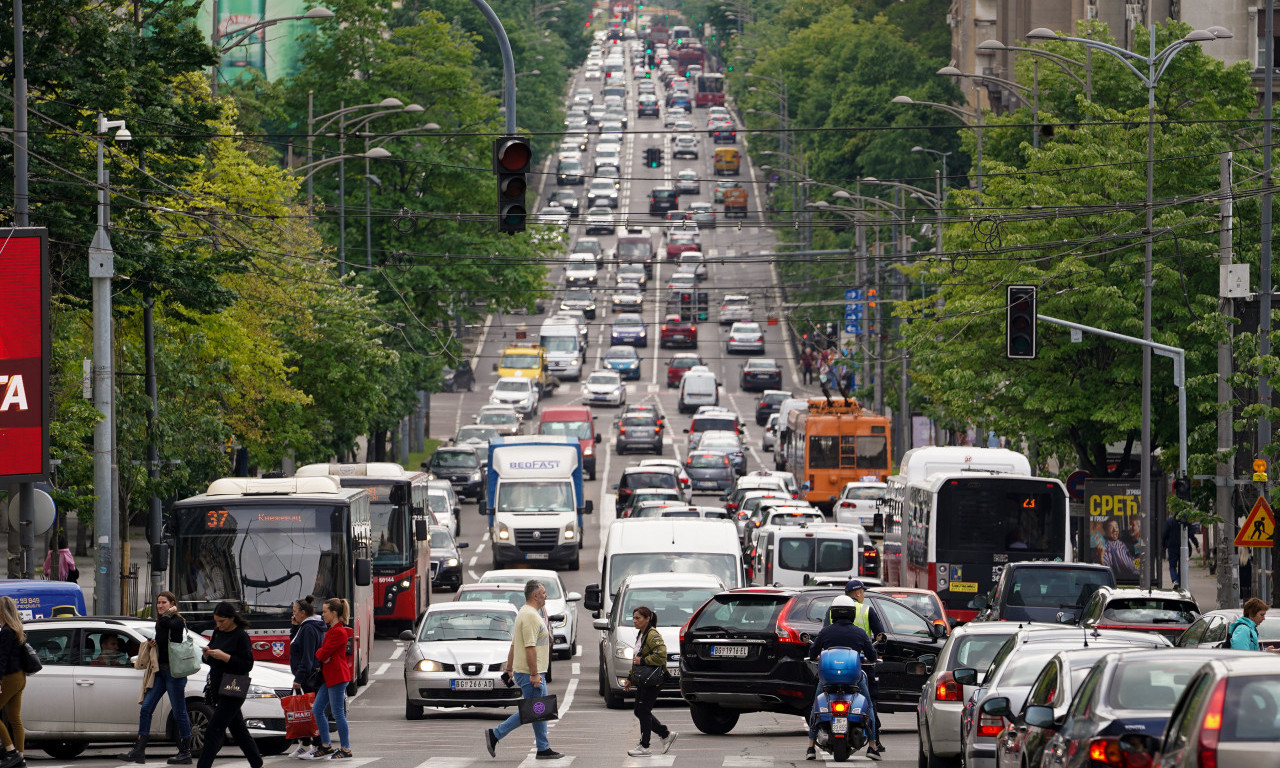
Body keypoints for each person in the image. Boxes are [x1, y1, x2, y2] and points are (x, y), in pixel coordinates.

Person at [483, 580, 564, 761]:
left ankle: (543, 748)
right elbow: (529, 647)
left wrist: (509, 669)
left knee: (538, 710)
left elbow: (514, 644)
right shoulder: (530, 617)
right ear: (535, 595)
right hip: (530, 673)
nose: (546, 595)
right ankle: (496, 734)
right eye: (543, 593)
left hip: (527, 671)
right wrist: (534, 674)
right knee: (534, 710)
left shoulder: (524, 613)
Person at [121, 592, 193, 764]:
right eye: (158, 603)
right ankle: (139, 750)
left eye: (164, 603)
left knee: (179, 712)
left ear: (172, 604)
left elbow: (169, 624)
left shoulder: (177, 621)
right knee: (146, 708)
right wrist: (154, 643)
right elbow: (163, 638)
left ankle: (185, 752)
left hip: (175, 674)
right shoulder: (161, 621)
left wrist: (171, 612)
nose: (160, 606)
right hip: (160, 672)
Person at [807, 596, 879, 761]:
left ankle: (811, 746)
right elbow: (873, 656)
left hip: (828, 679)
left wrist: (820, 656)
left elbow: (812, 653)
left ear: (833, 613)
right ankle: (873, 746)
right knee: (868, 708)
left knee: (815, 708)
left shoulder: (826, 632)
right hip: (854, 678)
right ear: (852, 614)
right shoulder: (859, 633)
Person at [195, 602, 262, 768]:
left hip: (234, 686)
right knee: (238, 729)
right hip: (218, 684)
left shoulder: (241, 636)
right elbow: (210, 660)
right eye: (216, 621)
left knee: (214, 729)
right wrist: (207, 655)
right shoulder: (218, 633)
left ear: (232, 618)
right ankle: (256, 761)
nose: (218, 625)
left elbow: (247, 665)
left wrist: (225, 657)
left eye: (222, 621)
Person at [622, 606, 677, 757]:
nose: (634, 621)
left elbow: (661, 656)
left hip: (653, 679)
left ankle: (645, 746)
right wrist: (629, 678)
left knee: (643, 711)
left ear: (647, 619)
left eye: (638, 618)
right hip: (644, 679)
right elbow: (636, 659)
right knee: (638, 711)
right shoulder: (641, 634)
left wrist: (644, 660)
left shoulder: (652, 635)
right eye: (633, 618)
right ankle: (665, 734)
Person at [308, 598, 354, 760]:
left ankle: (346, 748)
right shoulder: (332, 630)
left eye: (325, 611)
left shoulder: (339, 632)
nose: (322, 614)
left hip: (337, 676)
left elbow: (322, 653)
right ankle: (326, 745)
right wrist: (323, 655)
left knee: (337, 713)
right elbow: (323, 653)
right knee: (318, 709)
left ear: (334, 613)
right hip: (331, 676)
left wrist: (323, 655)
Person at [288, 597, 327, 759]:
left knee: (311, 712)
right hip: (307, 675)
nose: (293, 614)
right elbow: (295, 643)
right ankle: (305, 744)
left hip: (308, 677)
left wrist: (299, 677)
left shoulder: (309, 628)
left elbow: (307, 656)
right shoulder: (305, 626)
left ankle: (318, 745)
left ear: (303, 613)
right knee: (304, 712)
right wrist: (294, 626)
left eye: (295, 611)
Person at [0, 596, 28, 768]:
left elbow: (2, 659)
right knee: (15, 719)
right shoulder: (17, 629)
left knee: (13, 718)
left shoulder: (6, 632)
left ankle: (11, 751)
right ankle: (20, 757)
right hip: (20, 677)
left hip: (9, 677)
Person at [1162, 514, 1185, 588]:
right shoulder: (1184, 521)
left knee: (1172, 566)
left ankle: (1175, 580)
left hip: (1171, 546)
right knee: (1181, 565)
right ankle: (1179, 581)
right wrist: (1196, 544)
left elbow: (1164, 534)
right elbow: (1190, 533)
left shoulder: (1169, 522)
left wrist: (1163, 545)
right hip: (1182, 546)